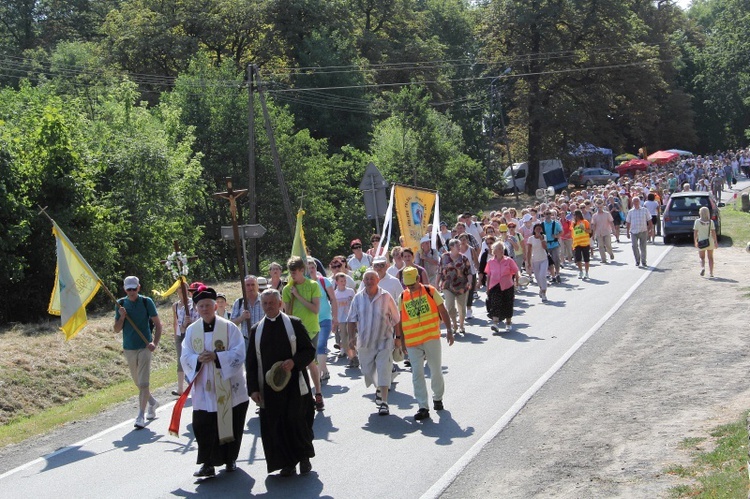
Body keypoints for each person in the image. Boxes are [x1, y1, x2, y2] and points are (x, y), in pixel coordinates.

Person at [180, 287, 249, 478]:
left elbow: (239, 352)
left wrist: (218, 357)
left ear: (215, 305)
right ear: (196, 308)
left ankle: (230, 459)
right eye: (201, 306)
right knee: (204, 426)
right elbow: (185, 355)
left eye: (208, 305)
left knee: (230, 422)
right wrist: (197, 359)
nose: (205, 309)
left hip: (228, 387)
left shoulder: (229, 327)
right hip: (204, 389)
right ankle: (207, 464)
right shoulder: (192, 330)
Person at [247, 289, 316, 477]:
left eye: (272, 303)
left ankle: (303, 459)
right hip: (269, 388)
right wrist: (253, 389)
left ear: (280, 304)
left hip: (294, 384)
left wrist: (294, 362)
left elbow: (309, 351)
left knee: (296, 421)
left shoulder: (293, 324)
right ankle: (287, 463)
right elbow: (251, 362)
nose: (269, 307)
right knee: (276, 425)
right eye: (265, 304)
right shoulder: (256, 330)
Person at [395, 267, 454, 421]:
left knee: (435, 370)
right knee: (417, 374)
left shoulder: (430, 291)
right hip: (413, 341)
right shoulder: (403, 296)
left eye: (412, 285)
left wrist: (449, 330)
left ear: (418, 279)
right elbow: (401, 319)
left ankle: (437, 398)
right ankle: (423, 406)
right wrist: (401, 340)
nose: (410, 288)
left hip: (431, 338)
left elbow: (443, 309)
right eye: (407, 285)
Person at [347, 270, 400, 416]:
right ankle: (381, 385)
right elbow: (351, 319)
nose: (369, 281)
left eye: (372, 278)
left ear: (377, 280)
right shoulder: (358, 298)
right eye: (367, 279)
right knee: (367, 372)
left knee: (382, 370)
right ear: (363, 281)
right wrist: (351, 339)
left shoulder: (386, 297)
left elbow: (396, 319)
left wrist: (398, 338)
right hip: (365, 342)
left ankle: (384, 403)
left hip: (384, 340)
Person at [114, 276, 163, 429]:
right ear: (125, 289)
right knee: (137, 381)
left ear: (139, 288)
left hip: (145, 346)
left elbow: (158, 324)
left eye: (134, 288)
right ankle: (152, 402)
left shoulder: (146, 301)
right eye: (129, 289)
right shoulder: (121, 303)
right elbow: (116, 329)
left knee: (143, 382)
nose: (132, 291)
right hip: (129, 347)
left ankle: (140, 415)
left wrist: (154, 343)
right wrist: (122, 317)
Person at [282, 256, 324, 410]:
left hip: (311, 330)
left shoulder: (313, 285)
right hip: (294, 331)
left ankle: (318, 393)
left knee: (310, 361)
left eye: (295, 271)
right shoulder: (287, 289)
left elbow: (315, 309)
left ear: (302, 270)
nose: (292, 274)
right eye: (290, 272)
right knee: (297, 364)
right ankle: (302, 396)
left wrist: (298, 295)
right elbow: (286, 312)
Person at [306, 258, 338, 384]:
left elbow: (333, 299)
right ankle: (324, 370)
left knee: (321, 345)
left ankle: (318, 375)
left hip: (325, 318)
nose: (311, 270)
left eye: (312, 267)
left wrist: (335, 317)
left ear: (316, 268)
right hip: (311, 321)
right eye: (308, 268)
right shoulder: (304, 285)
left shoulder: (324, 281)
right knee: (314, 349)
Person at [172, 281, 201, 396]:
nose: (182, 290)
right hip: (182, 335)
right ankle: (181, 388)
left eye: (185, 288)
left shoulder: (196, 305)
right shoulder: (177, 306)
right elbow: (177, 322)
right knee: (182, 360)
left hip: (195, 336)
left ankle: (194, 385)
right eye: (180, 288)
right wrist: (179, 330)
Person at [438, 239, 472, 335]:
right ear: (451, 247)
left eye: (460, 245)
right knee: (449, 306)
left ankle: (461, 325)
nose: (459, 247)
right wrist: (436, 284)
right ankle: (454, 324)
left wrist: (469, 282)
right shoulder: (444, 257)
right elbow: (440, 271)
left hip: (462, 286)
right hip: (448, 285)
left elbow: (469, 272)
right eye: (457, 246)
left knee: (462, 307)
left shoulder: (464, 258)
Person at [484, 241, 519, 333]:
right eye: (499, 248)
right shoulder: (490, 262)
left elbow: (516, 271)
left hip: (507, 285)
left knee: (508, 304)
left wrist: (517, 282)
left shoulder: (509, 260)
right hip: (495, 286)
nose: (501, 250)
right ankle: (495, 323)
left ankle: (508, 322)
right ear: (494, 251)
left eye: (502, 248)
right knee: (495, 304)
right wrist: (487, 288)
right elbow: (489, 275)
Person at [231, 275, 266, 351]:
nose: (250, 287)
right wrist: (241, 318)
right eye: (248, 285)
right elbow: (232, 324)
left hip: (264, 339)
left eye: (253, 284)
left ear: (257, 286)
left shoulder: (265, 301)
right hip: (246, 341)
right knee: (249, 363)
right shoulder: (239, 302)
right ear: (244, 287)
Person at [334, 273, 356, 363]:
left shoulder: (350, 291)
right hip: (341, 319)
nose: (343, 283)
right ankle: (349, 354)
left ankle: (354, 355)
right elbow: (334, 307)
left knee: (352, 336)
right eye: (341, 281)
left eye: (344, 281)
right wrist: (334, 319)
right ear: (337, 282)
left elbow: (355, 303)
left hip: (350, 318)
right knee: (344, 337)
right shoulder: (335, 293)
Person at [625, 196, 653, 268]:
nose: (636, 203)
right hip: (634, 232)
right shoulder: (630, 212)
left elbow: (649, 220)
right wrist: (627, 232)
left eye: (637, 201)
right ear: (633, 203)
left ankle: (644, 261)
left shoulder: (645, 210)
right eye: (634, 201)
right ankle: (637, 260)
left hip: (643, 230)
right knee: (634, 246)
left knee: (643, 247)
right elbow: (628, 222)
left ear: (639, 202)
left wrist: (650, 230)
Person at [693, 206, 719, 277]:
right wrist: (715, 242)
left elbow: (695, 232)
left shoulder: (697, 222)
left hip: (701, 241)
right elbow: (713, 233)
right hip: (710, 241)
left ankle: (703, 267)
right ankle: (711, 273)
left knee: (702, 257)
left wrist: (695, 241)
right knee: (710, 257)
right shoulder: (711, 222)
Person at [528, 223, 549, 302]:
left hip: (543, 259)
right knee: (537, 277)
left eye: (540, 229)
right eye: (537, 229)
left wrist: (541, 239)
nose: (538, 230)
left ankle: (544, 292)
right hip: (535, 260)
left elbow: (545, 247)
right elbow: (529, 251)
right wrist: (528, 262)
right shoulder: (531, 239)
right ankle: (541, 288)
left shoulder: (544, 237)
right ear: (534, 230)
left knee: (542, 275)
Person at [542, 210, 563, 283]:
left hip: (554, 244)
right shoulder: (542, 225)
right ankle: (553, 275)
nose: (548, 215)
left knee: (556, 259)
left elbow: (561, 232)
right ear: (544, 215)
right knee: (548, 261)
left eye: (549, 214)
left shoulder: (555, 223)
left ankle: (557, 273)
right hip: (546, 245)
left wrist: (557, 236)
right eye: (546, 214)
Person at [572, 209, 592, 280]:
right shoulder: (573, 224)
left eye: (576, 215)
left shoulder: (585, 222)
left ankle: (586, 272)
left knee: (586, 259)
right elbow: (573, 234)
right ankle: (581, 271)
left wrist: (584, 229)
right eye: (574, 215)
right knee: (578, 259)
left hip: (585, 243)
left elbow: (590, 231)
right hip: (577, 244)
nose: (575, 216)